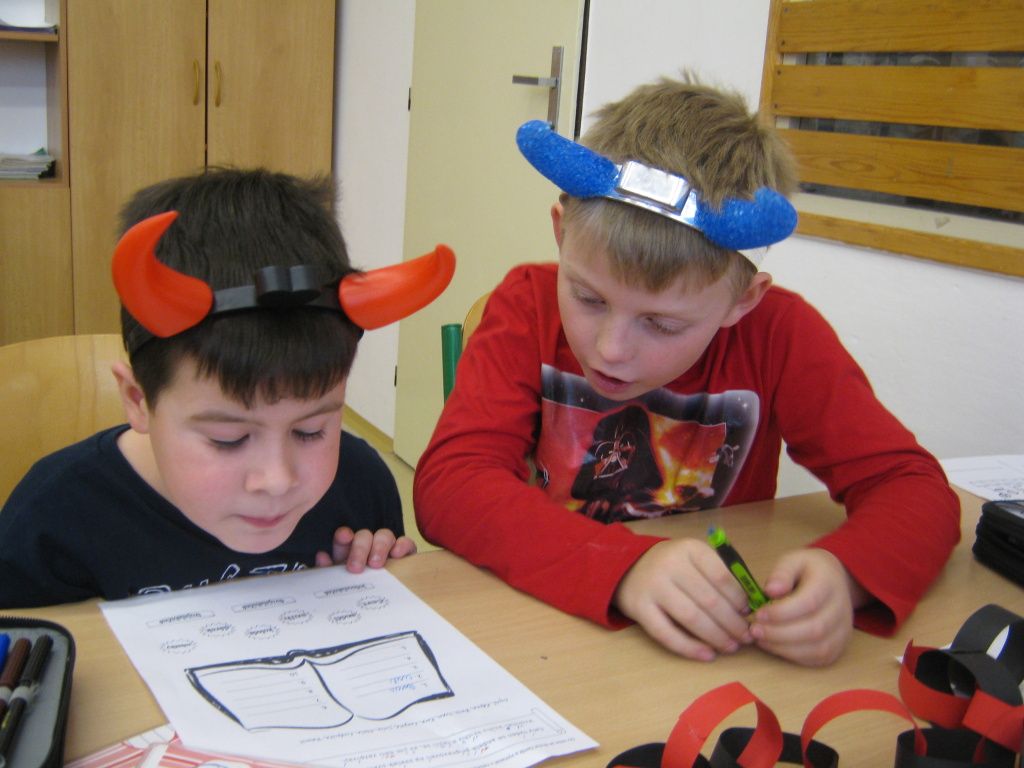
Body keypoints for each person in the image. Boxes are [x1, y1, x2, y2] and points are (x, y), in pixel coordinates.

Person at [413, 78, 960, 667]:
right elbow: (452, 484)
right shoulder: (526, 304)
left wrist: (847, 574)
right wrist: (625, 566)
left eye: (662, 324)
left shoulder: (780, 335)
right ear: (560, 232)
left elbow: (914, 489)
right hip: (550, 631)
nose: (611, 349)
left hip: (710, 647)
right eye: (589, 298)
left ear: (743, 301)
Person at [0, 168, 454, 608]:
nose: (277, 480)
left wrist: (367, 571)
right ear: (138, 400)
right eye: (228, 439)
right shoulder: (53, 519)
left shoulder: (360, 487)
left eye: (311, 430)